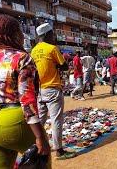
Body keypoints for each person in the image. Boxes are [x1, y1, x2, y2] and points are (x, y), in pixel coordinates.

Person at [0, 15, 50, 168]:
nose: (23, 35)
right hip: (13, 123)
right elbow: (27, 101)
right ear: (14, 34)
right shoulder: (22, 58)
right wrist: (40, 136)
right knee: (43, 158)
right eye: (20, 31)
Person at [31, 23, 76, 159]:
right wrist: (56, 65)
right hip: (53, 89)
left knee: (39, 121)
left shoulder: (33, 51)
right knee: (56, 120)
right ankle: (59, 151)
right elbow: (64, 66)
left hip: (40, 91)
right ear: (47, 35)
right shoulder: (52, 48)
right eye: (52, 34)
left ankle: (35, 147)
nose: (53, 37)